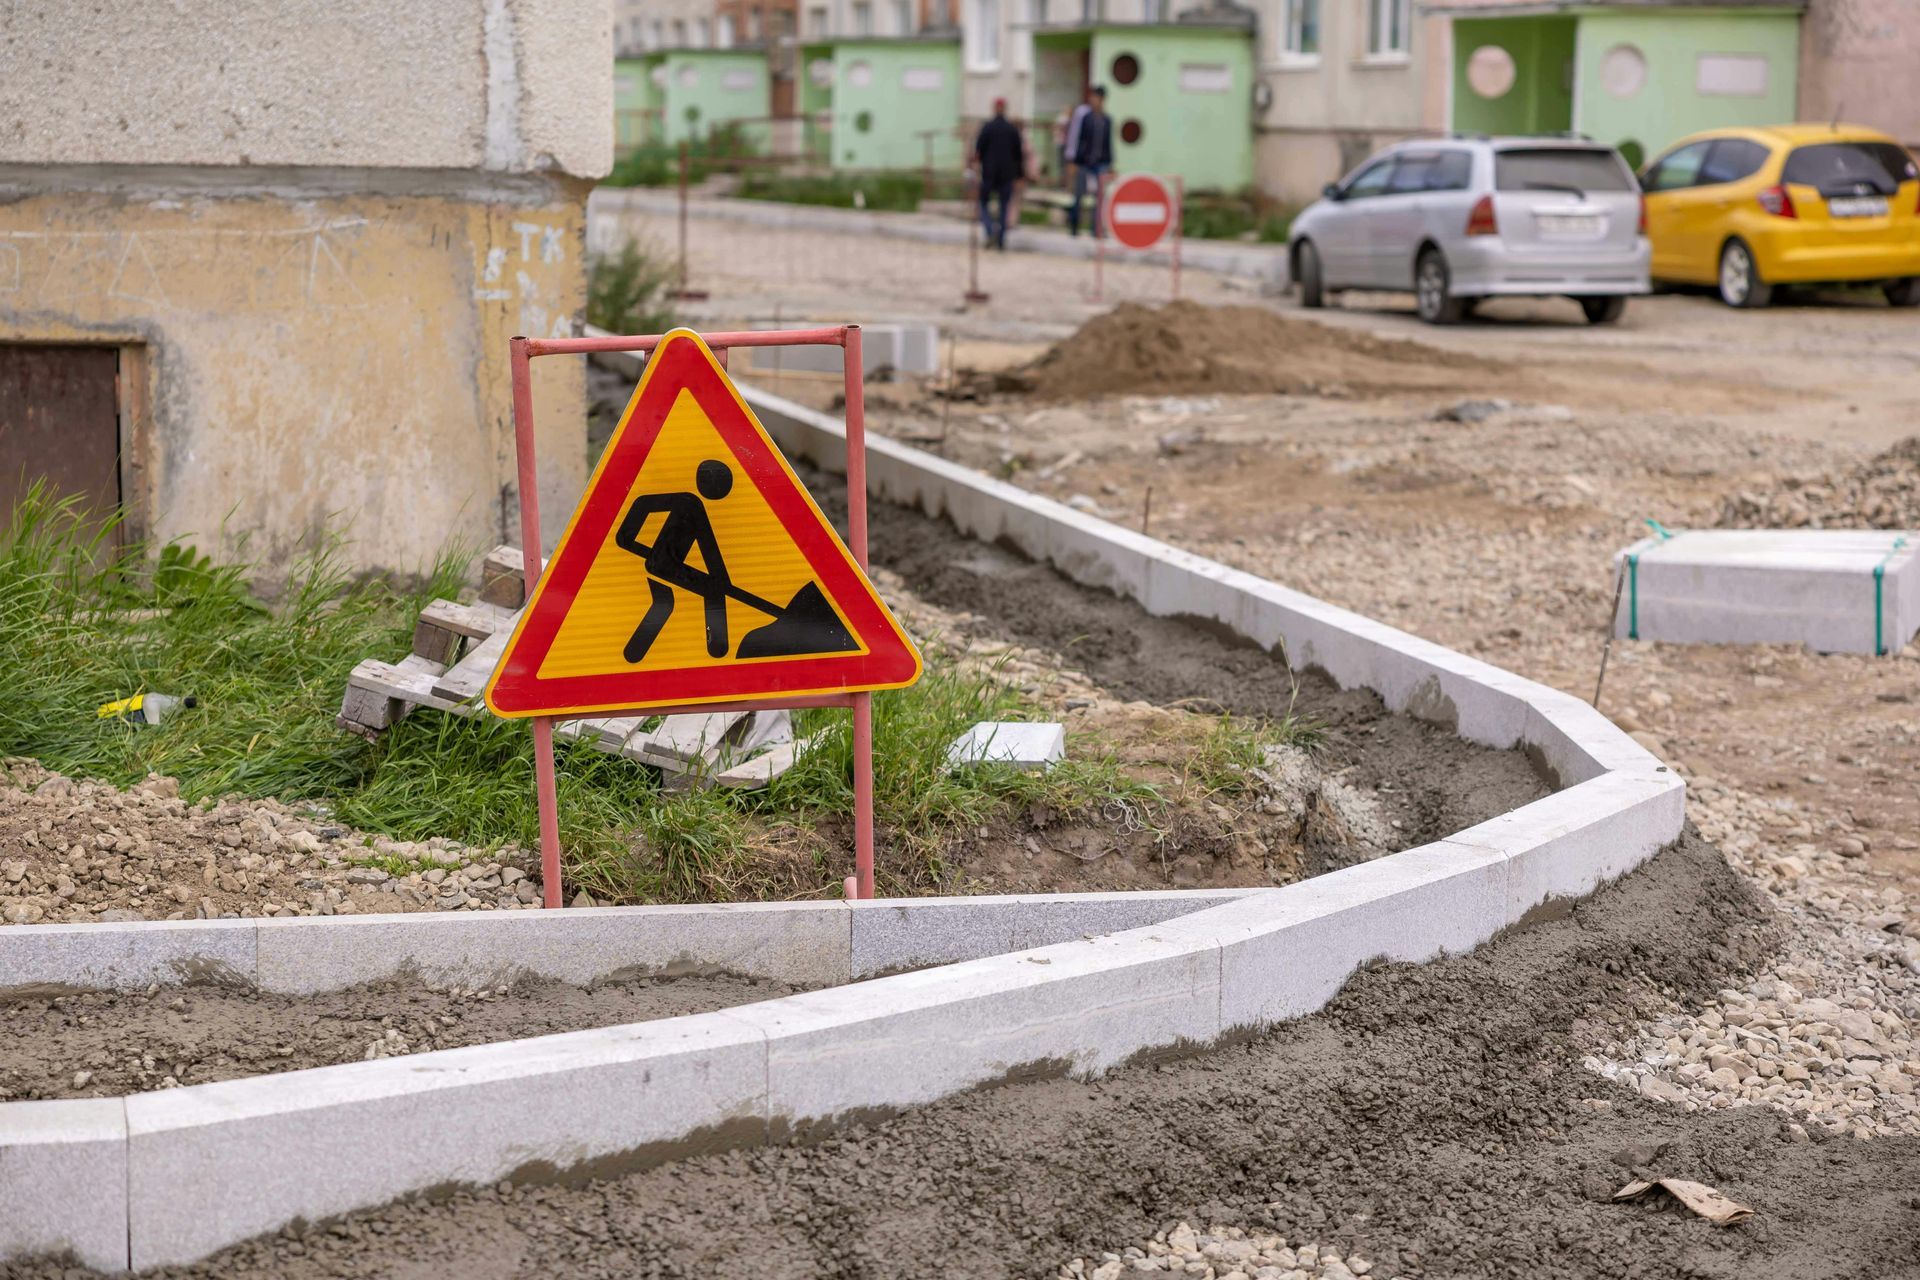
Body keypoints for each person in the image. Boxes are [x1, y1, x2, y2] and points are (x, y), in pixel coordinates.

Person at [614, 459, 736, 662]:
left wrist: (721, 578)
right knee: (707, 593)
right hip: (664, 564)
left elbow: (709, 549)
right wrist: (633, 545)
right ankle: (718, 650)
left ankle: (632, 656)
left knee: (664, 603)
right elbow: (640, 508)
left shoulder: (691, 503)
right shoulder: (688, 502)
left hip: (666, 563)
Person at [972, 98, 1026, 250]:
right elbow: (1018, 156)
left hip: (989, 172)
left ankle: (989, 231)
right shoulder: (1012, 129)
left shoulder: (987, 127)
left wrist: (977, 166)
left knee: (983, 202)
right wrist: (1020, 175)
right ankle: (1001, 239)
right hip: (1007, 174)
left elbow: (978, 150)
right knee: (1004, 206)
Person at [1067, 85, 1112, 238]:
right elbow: (1079, 140)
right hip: (1084, 163)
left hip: (1100, 163)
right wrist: (1074, 161)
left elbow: (1108, 144)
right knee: (1079, 196)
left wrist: (1110, 163)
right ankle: (1074, 227)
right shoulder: (1085, 118)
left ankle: (1096, 229)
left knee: (1099, 198)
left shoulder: (1106, 120)